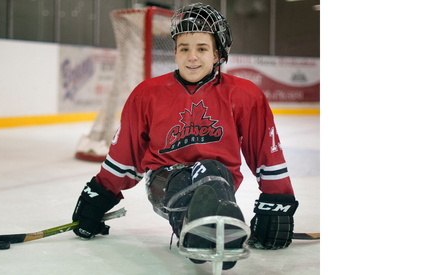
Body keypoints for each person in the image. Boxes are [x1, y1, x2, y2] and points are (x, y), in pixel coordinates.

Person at [71, 2, 298, 270]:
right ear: (175, 53)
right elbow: (126, 155)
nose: (192, 56)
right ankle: (209, 230)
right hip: (164, 180)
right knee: (191, 178)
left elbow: (265, 153)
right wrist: (99, 193)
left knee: (211, 170)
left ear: (217, 54)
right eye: (184, 48)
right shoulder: (147, 94)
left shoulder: (244, 95)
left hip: (217, 181)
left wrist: (277, 200)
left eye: (202, 49)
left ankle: (206, 229)